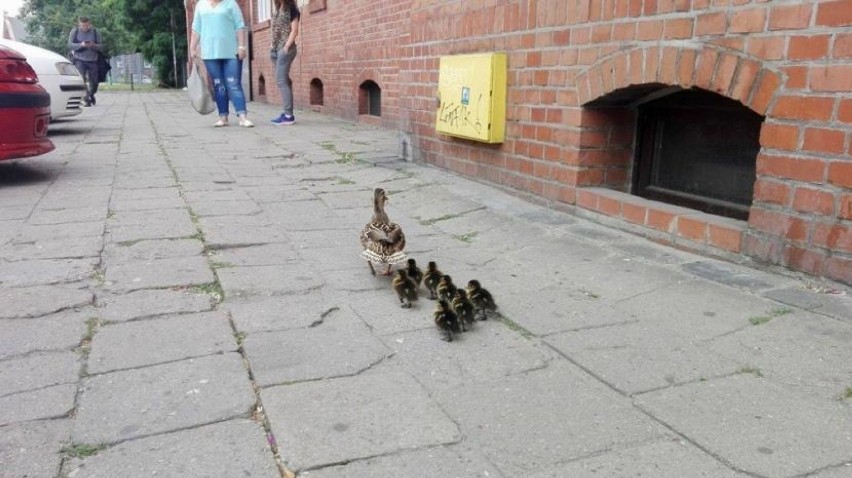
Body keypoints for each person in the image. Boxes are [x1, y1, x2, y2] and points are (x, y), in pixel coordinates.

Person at [189, 0, 254, 127]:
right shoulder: (201, 5)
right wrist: (192, 48)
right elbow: (196, 28)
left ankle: (242, 117)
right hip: (209, 53)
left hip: (231, 53)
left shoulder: (231, 4)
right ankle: (223, 117)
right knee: (219, 86)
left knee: (233, 84)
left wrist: (242, 47)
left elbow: (239, 25)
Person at [270, 0, 300, 125]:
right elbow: (275, 29)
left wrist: (286, 46)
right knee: (283, 80)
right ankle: (287, 112)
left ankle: (288, 116)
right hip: (276, 49)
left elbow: (294, 30)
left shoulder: (292, 9)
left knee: (280, 80)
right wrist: (272, 45)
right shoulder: (277, 8)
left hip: (286, 49)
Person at [68, 16, 102, 107]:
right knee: (81, 79)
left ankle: (91, 94)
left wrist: (93, 45)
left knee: (94, 82)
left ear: (89, 24)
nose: (85, 27)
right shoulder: (74, 31)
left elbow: (101, 46)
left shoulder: (95, 32)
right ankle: (86, 99)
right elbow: (70, 45)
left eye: (87, 25)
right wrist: (81, 45)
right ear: (79, 24)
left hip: (93, 59)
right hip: (79, 59)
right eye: (83, 26)